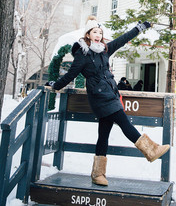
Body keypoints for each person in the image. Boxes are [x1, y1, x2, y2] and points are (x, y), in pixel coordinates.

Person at [45, 16, 169, 186]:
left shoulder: (104, 50)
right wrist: (55, 85)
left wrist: (139, 28)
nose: (98, 34)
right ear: (88, 34)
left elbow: (122, 40)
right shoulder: (82, 55)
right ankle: (151, 150)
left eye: (100, 32)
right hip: (100, 98)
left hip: (110, 95)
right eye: (95, 32)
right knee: (125, 124)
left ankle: (98, 174)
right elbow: (70, 74)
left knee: (103, 135)